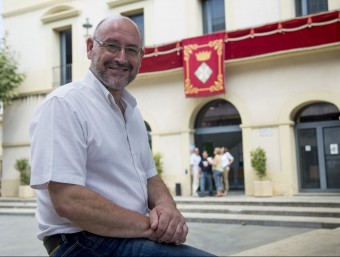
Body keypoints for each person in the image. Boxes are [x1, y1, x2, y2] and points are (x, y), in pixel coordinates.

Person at [29, 16, 215, 257]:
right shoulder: (63, 105)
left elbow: (150, 176)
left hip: (126, 236)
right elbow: (69, 200)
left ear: (140, 57)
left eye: (131, 50)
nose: (121, 58)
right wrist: (152, 227)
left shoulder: (132, 112)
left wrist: (167, 208)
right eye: (112, 45)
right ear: (90, 48)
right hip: (80, 243)